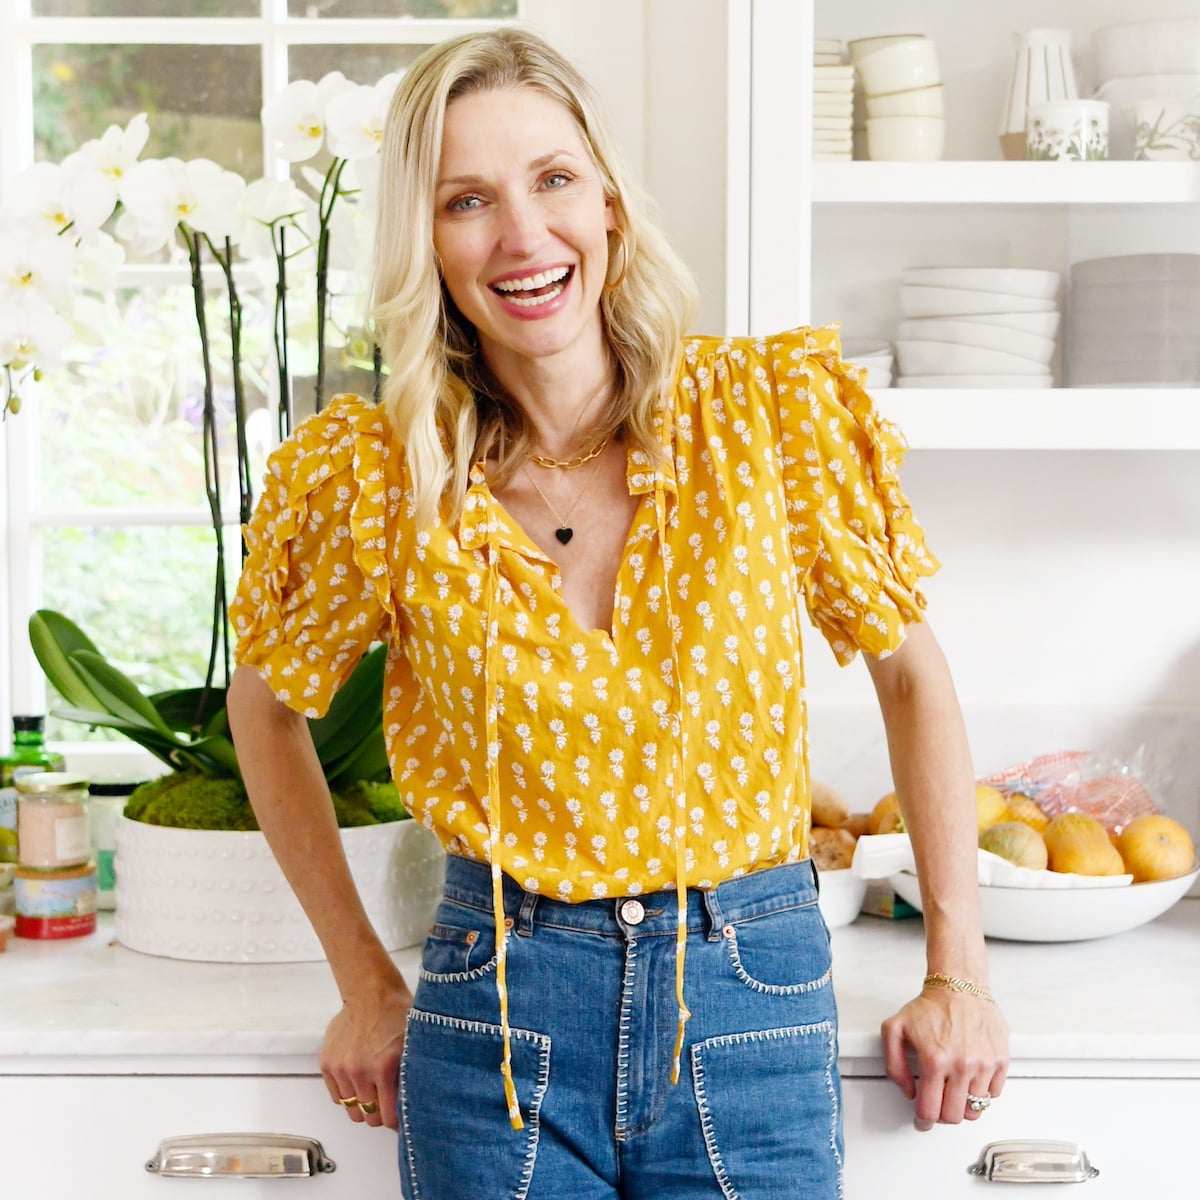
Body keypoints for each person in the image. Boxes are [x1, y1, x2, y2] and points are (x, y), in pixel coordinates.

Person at [227, 26, 1008, 1200]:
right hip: (495, 1013)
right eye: (466, 201)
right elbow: (265, 713)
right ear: (425, 242)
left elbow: (909, 675)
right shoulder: (381, 477)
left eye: (553, 181)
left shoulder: (763, 419)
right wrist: (362, 976)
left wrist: (959, 972)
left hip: (751, 996)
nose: (522, 236)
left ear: (610, 208)